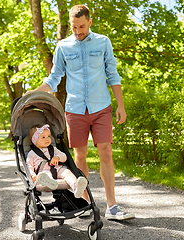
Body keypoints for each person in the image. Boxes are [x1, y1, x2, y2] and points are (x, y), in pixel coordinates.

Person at [28, 5, 134, 220]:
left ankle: (112, 207)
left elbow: (113, 75)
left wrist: (120, 105)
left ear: (90, 22)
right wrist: (32, 93)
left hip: (101, 106)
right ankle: (84, 202)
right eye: (74, 27)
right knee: (79, 156)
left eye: (82, 26)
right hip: (75, 110)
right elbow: (54, 78)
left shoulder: (103, 42)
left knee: (106, 152)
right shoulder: (63, 46)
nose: (78, 31)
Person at [27, 124, 88, 198]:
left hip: (57, 169)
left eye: (48, 136)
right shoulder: (32, 153)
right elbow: (29, 165)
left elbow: (64, 157)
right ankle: (50, 182)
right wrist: (32, 175)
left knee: (67, 172)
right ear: (35, 140)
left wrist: (58, 157)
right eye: (43, 137)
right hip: (43, 172)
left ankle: (76, 187)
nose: (47, 139)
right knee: (45, 175)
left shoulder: (53, 149)